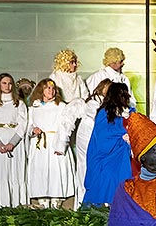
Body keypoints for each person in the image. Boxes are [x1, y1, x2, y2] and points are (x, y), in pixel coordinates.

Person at [61, 79, 111, 210]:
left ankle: (96, 202)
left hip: (96, 139)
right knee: (85, 169)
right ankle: (83, 203)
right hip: (87, 137)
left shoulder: (104, 103)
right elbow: (97, 117)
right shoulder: (93, 102)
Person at [26, 78, 75, 209]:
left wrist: (61, 144)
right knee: (40, 171)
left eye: (53, 88)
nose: (51, 91)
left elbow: (66, 126)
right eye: (48, 88)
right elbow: (29, 126)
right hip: (40, 144)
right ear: (41, 89)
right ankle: (42, 200)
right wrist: (33, 130)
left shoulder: (61, 106)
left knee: (55, 171)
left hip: (55, 141)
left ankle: (56, 199)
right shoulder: (33, 108)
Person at [0, 73, 29, 208]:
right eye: (4, 83)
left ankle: (16, 204)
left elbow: (23, 124)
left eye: (9, 83)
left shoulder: (19, 103)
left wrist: (12, 143)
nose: (7, 86)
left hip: (15, 141)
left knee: (15, 172)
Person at [83, 82, 133, 206]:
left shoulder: (129, 112)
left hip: (120, 156)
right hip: (105, 157)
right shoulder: (104, 113)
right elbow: (102, 135)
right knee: (104, 183)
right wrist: (123, 132)